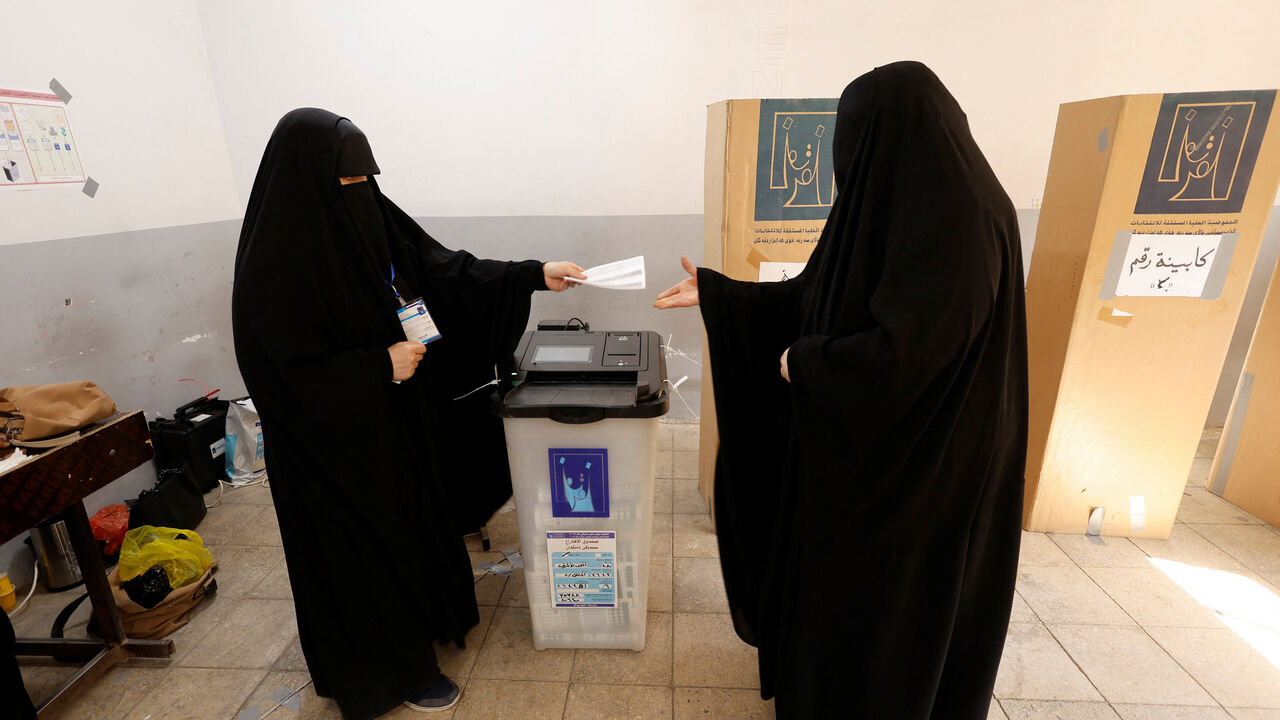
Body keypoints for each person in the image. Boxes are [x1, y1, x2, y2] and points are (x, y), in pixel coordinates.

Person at [655, 61, 1027, 718]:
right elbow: (818, 297)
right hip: (883, 463)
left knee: (886, 616)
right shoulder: (901, 202)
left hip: (924, 477)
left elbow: (913, 354)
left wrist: (811, 365)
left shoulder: (961, 217)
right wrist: (723, 296)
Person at [232, 108, 584, 718]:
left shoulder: (371, 212)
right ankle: (381, 678)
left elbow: (441, 270)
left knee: (412, 527)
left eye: (365, 181)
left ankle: (424, 631)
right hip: (330, 453)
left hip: (396, 425)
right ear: (310, 180)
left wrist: (531, 274)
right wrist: (376, 366)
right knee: (355, 559)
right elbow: (280, 374)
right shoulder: (275, 262)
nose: (359, 193)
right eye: (345, 183)